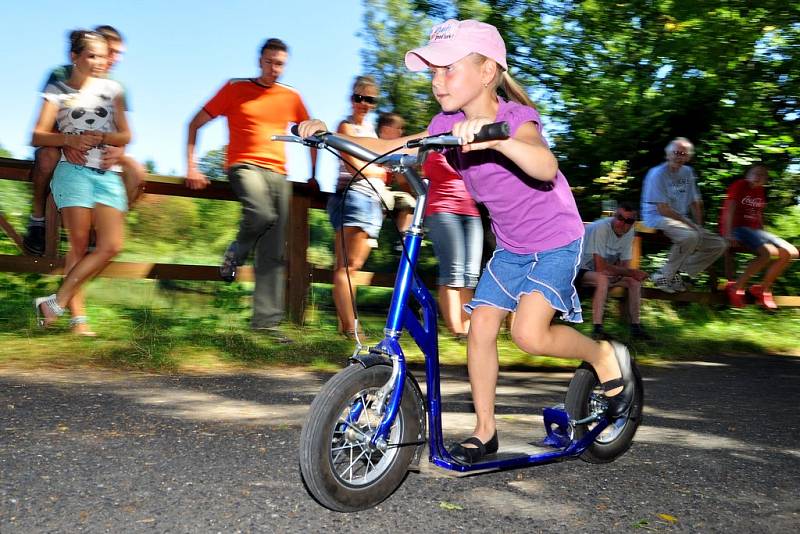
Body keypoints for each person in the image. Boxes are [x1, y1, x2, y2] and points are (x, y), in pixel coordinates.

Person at [297, 19, 636, 465]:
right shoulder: (446, 124)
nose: (437, 82)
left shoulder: (515, 119)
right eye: (433, 73)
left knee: (529, 334)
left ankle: (602, 354)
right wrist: (329, 135)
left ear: (487, 71)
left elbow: (544, 164)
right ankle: (484, 431)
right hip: (512, 247)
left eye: (448, 70)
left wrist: (497, 141)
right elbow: (394, 146)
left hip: (555, 240)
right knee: (479, 330)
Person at [184, 38, 316, 333]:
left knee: (274, 251)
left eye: (279, 63)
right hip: (243, 166)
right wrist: (191, 166)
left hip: (279, 174)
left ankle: (266, 324)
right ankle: (236, 251)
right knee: (260, 214)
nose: (273, 68)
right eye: (269, 62)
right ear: (259, 61)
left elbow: (312, 133)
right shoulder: (234, 88)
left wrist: (314, 172)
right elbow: (194, 123)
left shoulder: (291, 96)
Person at [32, 30, 131, 335]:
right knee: (78, 244)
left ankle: (54, 303)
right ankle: (78, 320)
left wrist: (104, 137)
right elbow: (37, 135)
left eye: (103, 56)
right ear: (75, 57)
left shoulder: (114, 90)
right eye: (92, 55)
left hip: (107, 175)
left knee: (112, 245)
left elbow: (126, 135)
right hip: (73, 172)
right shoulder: (58, 89)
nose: (100, 62)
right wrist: (67, 139)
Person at [22, 25, 144, 257]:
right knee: (48, 157)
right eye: (111, 52)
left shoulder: (117, 88)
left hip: (100, 150)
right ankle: (37, 218)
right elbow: (45, 128)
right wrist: (68, 142)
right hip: (61, 145)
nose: (114, 59)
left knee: (135, 171)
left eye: (119, 54)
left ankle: (100, 228)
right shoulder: (60, 75)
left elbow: (123, 131)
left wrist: (119, 151)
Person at [327, 76, 386, 339]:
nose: (363, 103)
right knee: (348, 267)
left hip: (369, 200)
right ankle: (352, 329)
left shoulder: (371, 132)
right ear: (351, 99)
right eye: (359, 97)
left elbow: (379, 170)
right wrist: (378, 171)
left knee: (351, 267)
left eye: (369, 99)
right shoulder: (346, 126)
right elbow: (356, 166)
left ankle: (345, 326)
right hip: (354, 198)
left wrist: (377, 172)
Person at [640, 137, 727, 293]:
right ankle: (663, 276)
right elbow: (663, 209)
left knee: (718, 244)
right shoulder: (657, 174)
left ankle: (673, 272)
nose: (679, 156)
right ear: (668, 154)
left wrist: (699, 226)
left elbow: (695, 201)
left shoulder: (688, 172)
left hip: (679, 218)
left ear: (688, 157)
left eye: (683, 154)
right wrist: (691, 226)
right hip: (657, 217)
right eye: (676, 152)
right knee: (690, 236)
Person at [422, 151, 483, 340]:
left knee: (470, 276)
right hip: (443, 210)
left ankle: (468, 330)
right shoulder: (431, 149)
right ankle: (456, 330)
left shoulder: (469, 150)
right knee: (453, 273)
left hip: (471, 213)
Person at [720, 164, 798, 309]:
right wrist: (728, 234)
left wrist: (764, 233)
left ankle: (762, 288)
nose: (758, 177)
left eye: (762, 175)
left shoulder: (760, 191)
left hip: (755, 231)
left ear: (765, 180)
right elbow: (728, 210)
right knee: (768, 253)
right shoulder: (739, 185)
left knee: (791, 252)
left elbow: (758, 215)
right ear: (747, 175)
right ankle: (736, 287)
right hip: (737, 229)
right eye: (755, 173)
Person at [576, 202, 651, 340]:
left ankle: (636, 328)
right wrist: (627, 272)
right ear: (614, 215)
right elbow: (600, 267)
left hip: (599, 271)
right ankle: (597, 329)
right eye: (619, 217)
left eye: (628, 221)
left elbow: (624, 266)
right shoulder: (601, 228)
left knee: (634, 281)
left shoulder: (629, 233)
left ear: (633, 222)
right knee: (603, 279)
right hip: (576, 270)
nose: (621, 223)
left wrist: (627, 273)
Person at [376, 112, 416, 237]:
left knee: (409, 201)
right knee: (386, 200)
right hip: (374, 187)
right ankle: (372, 232)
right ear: (385, 130)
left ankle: (405, 237)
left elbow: (402, 179)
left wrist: (414, 195)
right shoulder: (375, 146)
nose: (401, 132)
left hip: (386, 190)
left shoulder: (395, 153)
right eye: (398, 128)